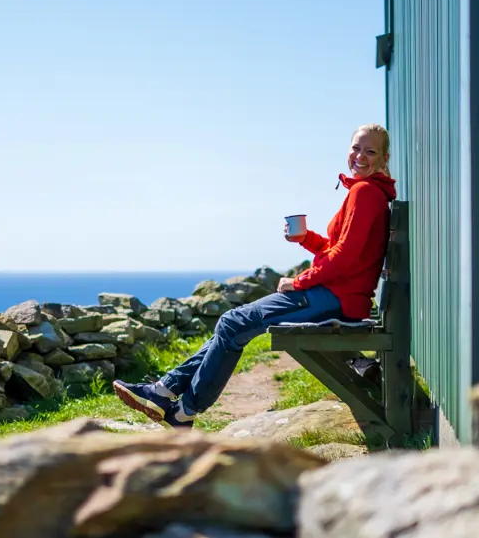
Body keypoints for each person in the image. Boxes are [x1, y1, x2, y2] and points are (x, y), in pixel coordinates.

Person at [113, 123, 397, 428]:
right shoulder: (366, 192)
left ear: (384, 158)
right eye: (356, 148)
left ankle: (182, 408)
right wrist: (306, 239)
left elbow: (345, 257)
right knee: (232, 325)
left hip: (338, 299)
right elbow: (340, 248)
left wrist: (299, 281)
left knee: (233, 323)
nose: (360, 156)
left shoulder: (365, 193)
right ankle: (167, 396)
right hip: (338, 294)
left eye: (370, 151)